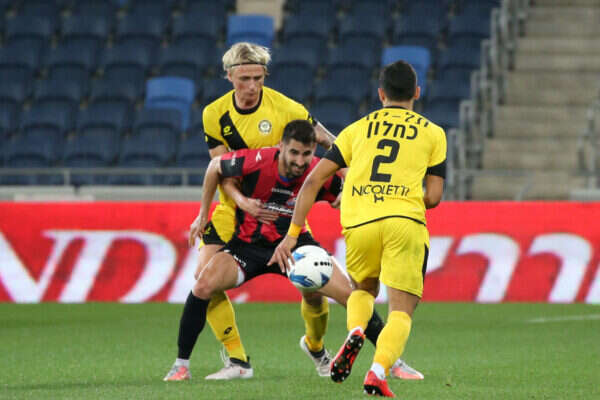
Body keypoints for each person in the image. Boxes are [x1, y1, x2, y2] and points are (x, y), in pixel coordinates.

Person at [163, 42, 423, 381]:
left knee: (333, 292)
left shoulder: (287, 110)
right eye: (244, 79)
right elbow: (220, 168)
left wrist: (349, 176)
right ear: (229, 76)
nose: (252, 86)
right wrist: (236, 204)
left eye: (258, 78)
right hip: (236, 213)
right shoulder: (215, 114)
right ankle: (236, 361)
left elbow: (327, 141)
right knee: (204, 280)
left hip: (285, 219)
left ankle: (383, 357)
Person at [270, 61, 446, 397]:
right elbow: (434, 196)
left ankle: (355, 330)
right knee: (401, 310)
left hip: (359, 221)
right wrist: (404, 198)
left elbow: (312, 182)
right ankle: (378, 371)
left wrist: (292, 234)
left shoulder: (355, 130)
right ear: (417, 93)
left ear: (381, 94)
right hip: (403, 221)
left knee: (363, 290)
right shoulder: (433, 132)